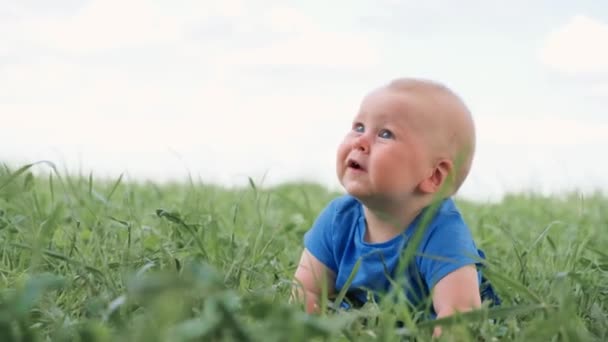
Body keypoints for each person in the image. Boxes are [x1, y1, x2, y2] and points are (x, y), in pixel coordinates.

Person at [292, 78, 499, 333]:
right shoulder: (337, 220)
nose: (360, 141)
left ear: (433, 175)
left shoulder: (442, 234)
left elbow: (459, 318)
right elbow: (307, 292)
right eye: (358, 127)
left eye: (385, 134)